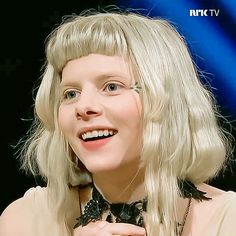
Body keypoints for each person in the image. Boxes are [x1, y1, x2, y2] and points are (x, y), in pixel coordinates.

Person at [0, 9, 236, 236]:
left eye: (111, 87)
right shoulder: (25, 219)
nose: (83, 107)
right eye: (71, 94)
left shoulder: (227, 219)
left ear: (166, 100)